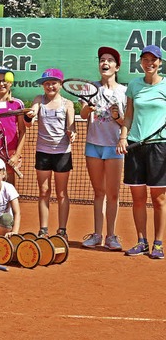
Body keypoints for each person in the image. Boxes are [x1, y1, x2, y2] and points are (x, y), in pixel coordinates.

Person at [117, 44, 166, 259]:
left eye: (153, 60)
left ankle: (158, 244)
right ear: (141, 62)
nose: (149, 63)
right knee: (138, 198)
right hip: (135, 145)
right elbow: (128, 115)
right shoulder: (134, 85)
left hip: (159, 146)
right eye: (145, 59)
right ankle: (141, 241)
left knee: (159, 200)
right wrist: (123, 137)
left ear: (160, 63)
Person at [80, 47, 126, 250]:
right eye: (102, 60)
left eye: (109, 60)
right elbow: (83, 116)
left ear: (117, 66)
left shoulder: (124, 92)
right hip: (93, 146)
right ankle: (97, 235)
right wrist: (87, 108)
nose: (105, 63)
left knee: (113, 194)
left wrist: (117, 117)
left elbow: (126, 123)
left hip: (114, 148)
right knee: (99, 192)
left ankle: (112, 236)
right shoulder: (89, 89)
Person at [26, 68, 76, 239]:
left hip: (62, 153)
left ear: (60, 85)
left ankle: (62, 230)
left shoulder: (67, 104)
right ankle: (43, 229)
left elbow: (71, 125)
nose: (50, 86)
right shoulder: (38, 100)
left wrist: (72, 132)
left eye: (53, 83)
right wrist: (30, 116)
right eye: (46, 83)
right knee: (43, 191)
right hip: (43, 152)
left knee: (61, 193)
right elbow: (31, 118)